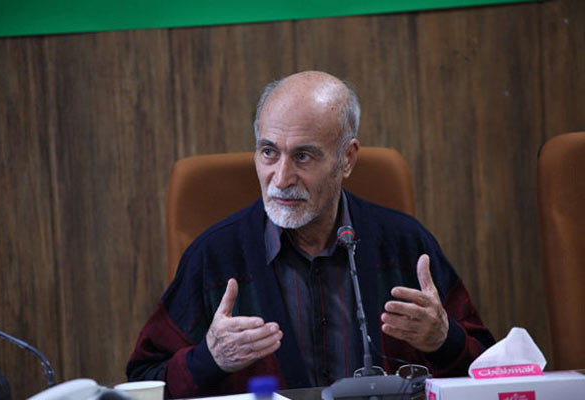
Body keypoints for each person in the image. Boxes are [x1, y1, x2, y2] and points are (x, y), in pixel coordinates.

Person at [126, 71, 494, 398]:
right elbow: (144, 381)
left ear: (347, 159)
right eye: (269, 152)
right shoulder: (214, 256)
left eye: (303, 157)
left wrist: (444, 341)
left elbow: (490, 371)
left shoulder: (405, 244)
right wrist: (210, 359)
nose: (281, 178)